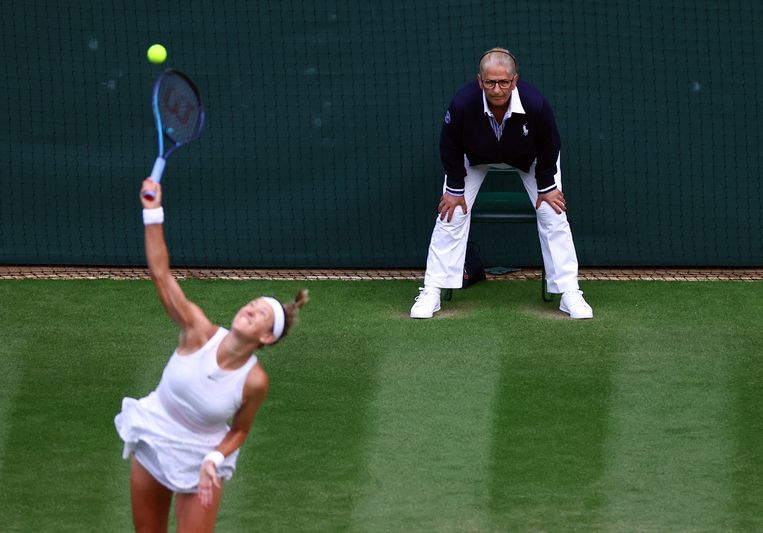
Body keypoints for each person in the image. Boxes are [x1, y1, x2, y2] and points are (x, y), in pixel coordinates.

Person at [115, 178, 308, 532]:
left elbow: (240, 430)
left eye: (260, 314)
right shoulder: (197, 330)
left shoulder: (254, 380)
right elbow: (161, 274)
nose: (249, 309)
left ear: (267, 337)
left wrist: (216, 458)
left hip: (201, 456)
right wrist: (153, 212)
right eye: (251, 304)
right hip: (156, 432)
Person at [410, 47, 593, 320]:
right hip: (474, 158)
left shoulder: (536, 103)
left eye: (504, 82)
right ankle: (432, 291)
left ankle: (569, 293)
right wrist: (454, 189)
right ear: (479, 80)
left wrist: (546, 186)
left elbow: (550, 143)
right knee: (452, 213)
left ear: (515, 80)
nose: (497, 89)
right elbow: (449, 145)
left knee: (552, 212)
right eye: (490, 82)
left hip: (529, 158)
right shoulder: (462, 103)